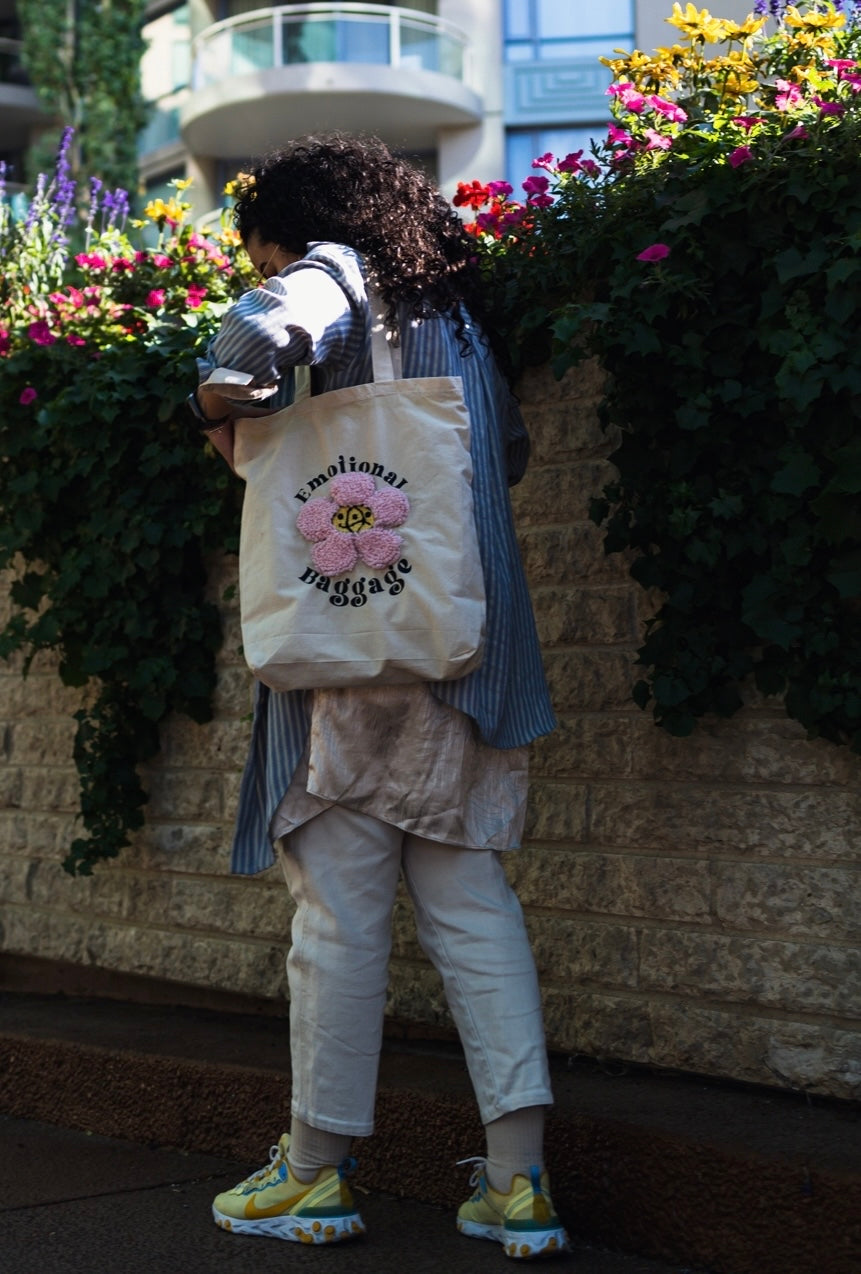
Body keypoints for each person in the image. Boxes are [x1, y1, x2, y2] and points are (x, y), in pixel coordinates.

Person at [189, 133, 568, 1261]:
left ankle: (314, 1171)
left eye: (258, 246)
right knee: (474, 908)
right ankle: (519, 1184)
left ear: (298, 229)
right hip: (459, 650)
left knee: (341, 917)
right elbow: (495, 465)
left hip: (352, 662)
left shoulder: (335, 273)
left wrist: (224, 411)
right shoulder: (460, 320)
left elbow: (259, 332)